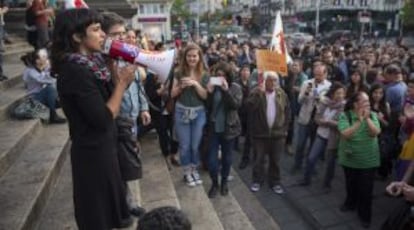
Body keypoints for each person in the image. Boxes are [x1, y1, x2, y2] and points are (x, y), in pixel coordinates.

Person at [51, 9, 136, 229]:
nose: (103, 36)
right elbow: (104, 117)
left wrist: (113, 72)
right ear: (77, 37)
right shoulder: (75, 70)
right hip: (93, 155)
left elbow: (109, 101)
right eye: (96, 30)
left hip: (103, 149)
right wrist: (121, 84)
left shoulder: (93, 64)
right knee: (98, 216)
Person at [100, 11, 149, 218]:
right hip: (113, 120)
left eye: (123, 33)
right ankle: (123, 205)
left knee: (127, 162)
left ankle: (128, 202)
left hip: (129, 117)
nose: (122, 38)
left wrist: (144, 108)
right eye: (116, 34)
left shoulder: (122, 57)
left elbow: (137, 86)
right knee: (118, 165)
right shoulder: (100, 62)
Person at [337, 91, 381, 229]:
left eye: (368, 102)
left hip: (368, 161)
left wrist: (367, 119)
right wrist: (359, 121)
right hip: (349, 159)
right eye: (365, 102)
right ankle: (350, 203)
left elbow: (376, 132)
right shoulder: (345, 115)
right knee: (351, 185)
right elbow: (345, 134)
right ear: (355, 104)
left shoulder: (372, 115)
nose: (368, 104)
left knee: (366, 191)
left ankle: (365, 216)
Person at [171, 43, 209, 187]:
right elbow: (172, 94)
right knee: (185, 145)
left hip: (199, 112)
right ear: (184, 57)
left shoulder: (204, 74)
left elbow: (205, 96)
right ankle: (187, 171)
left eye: (194, 56)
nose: (192, 59)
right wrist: (181, 86)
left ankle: (194, 169)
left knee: (195, 145)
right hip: (182, 111)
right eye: (189, 56)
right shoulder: (178, 72)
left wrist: (195, 84)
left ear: (199, 57)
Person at [248, 71, 290, 194]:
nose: (273, 83)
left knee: (275, 161)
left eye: (275, 80)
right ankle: (257, 180)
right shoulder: (256, 92)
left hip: (278, 135)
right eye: (270, 80)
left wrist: (285, 129)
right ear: (264, 81)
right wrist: (257, 93)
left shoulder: (282, 94)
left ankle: (275, 182)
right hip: (260, 134)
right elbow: (249, 108)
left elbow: (288, 112)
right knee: (259, 160)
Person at [298, 82, 346, 187]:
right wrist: (325, 122)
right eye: (338, 93)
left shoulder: (344, 107)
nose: (340, 96)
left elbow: (341, 124)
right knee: (311, 158)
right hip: (321, 135)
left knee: (330, 164)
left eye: (342, 93)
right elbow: (317, 118)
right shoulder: (324, 102)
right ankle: (306, 179)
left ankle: (327, 183)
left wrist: (327, 122)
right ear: (332, 93)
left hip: (334, 138)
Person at [205, 62, 242, 198]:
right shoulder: (212, 87)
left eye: (223, 75)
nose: (220, 78)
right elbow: (208, 107)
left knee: (227, 159)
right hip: (214, 128)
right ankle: (215, 183)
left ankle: (224, 181)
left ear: (228, 76)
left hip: (228, 128)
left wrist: (226, 91)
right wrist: (208, 93)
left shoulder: (235, 87)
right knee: (211, 161)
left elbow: (235, 106)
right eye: (218, 75)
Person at [21, 49, 66, 124]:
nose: (46, 59)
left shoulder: (43, 68)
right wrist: (46, 70)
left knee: (63, 93)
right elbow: (43, 80)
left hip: (45, 97)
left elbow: (54, 79)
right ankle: (52, 115)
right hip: (35, 99)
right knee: (50, 89)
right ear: (37, 60)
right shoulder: (30, 71)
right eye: (43, 57)